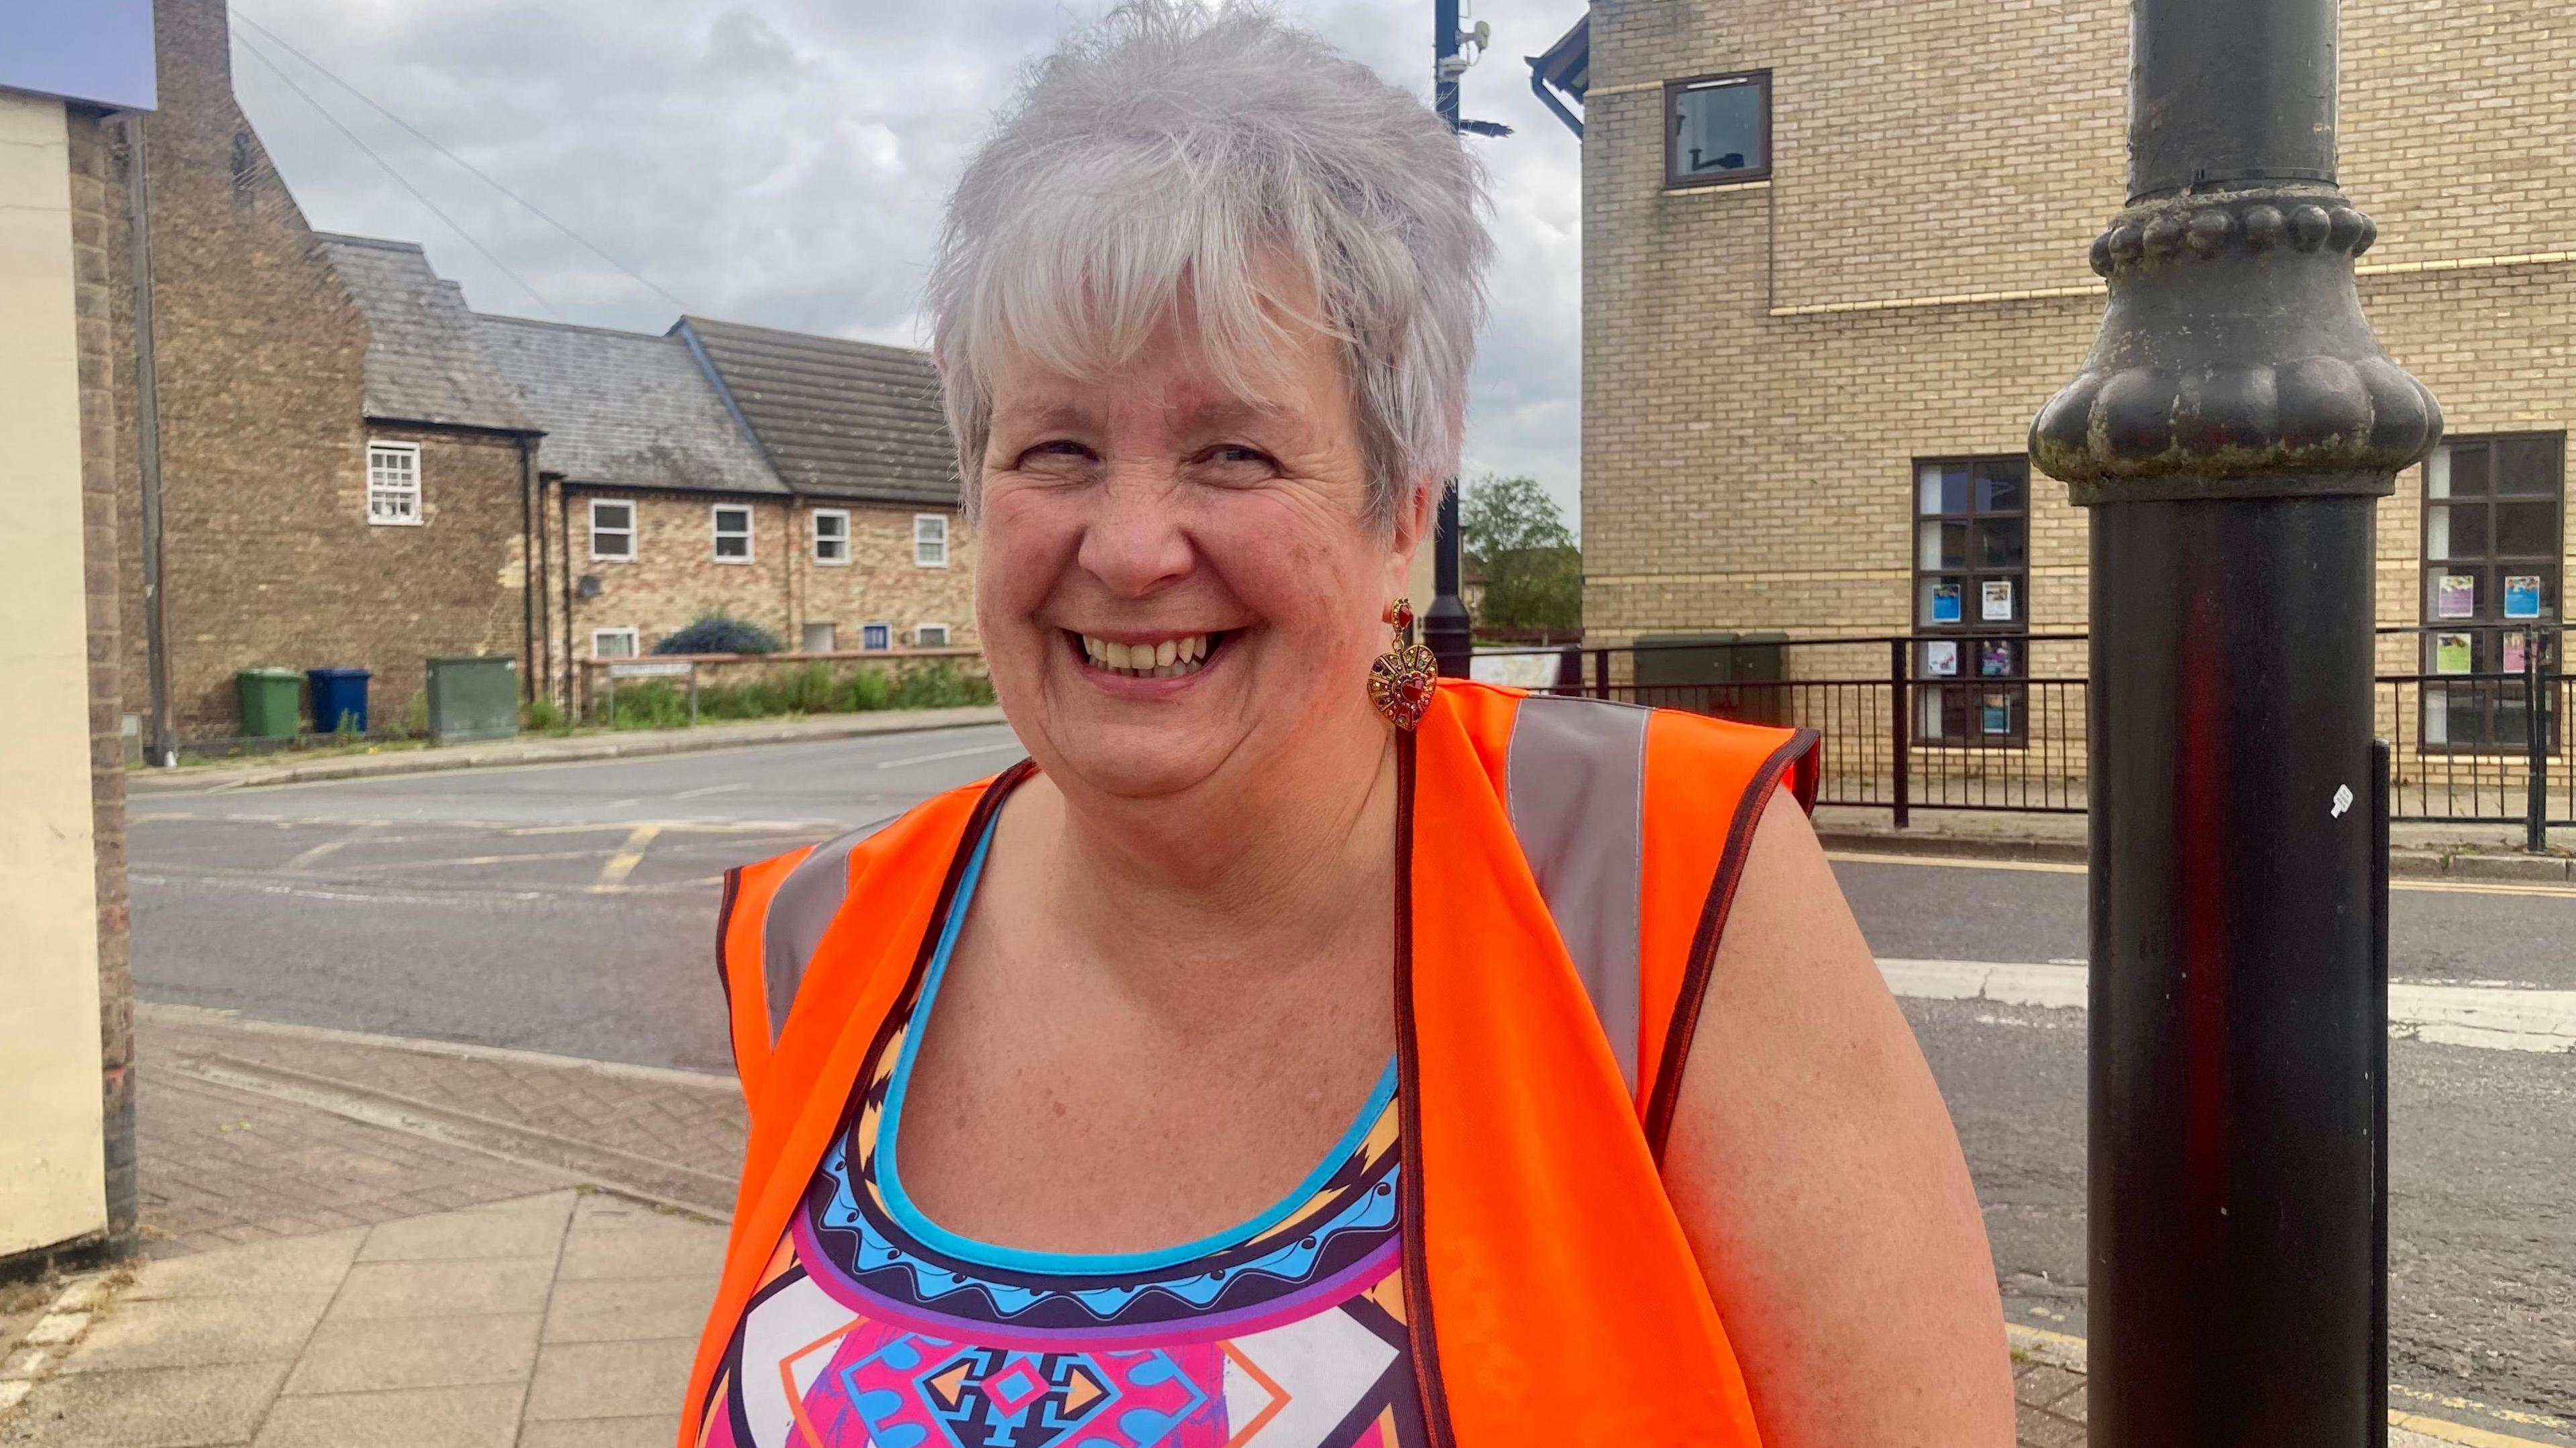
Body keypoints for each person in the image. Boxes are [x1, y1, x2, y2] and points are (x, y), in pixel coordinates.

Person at [681, 4, 2012, 1444]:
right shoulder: (820, 937)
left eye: (1233, 450)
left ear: (1404, 519)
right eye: (1055, 446)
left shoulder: (1657, 880)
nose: (1130, 548)